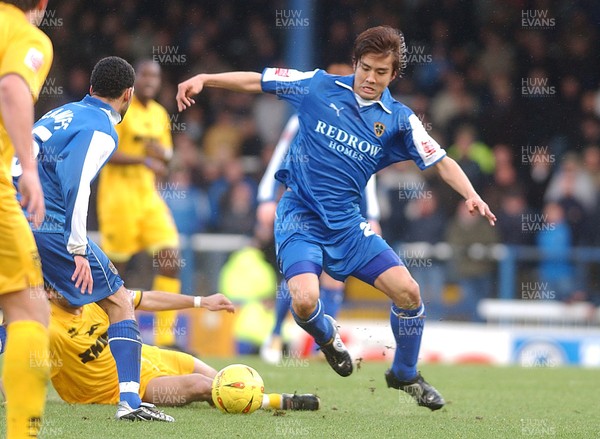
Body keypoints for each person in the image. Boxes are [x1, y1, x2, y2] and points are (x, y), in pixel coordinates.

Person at [177, 26, 496, 411]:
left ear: (394, 75)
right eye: (365, 68)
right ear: (355, 63)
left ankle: (405, 373)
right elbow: (257, 80)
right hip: (299, 216)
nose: (370, 78)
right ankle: (328, 337)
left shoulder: (398, 119)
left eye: (381, 72)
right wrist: (205, 78)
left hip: (348, 225)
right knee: (307, 300)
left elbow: (441, 161)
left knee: (409, 293)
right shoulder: (317, 86)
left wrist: (472, 194)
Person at [12, 56, 172, 422]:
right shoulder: (101, 128)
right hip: (44, 223)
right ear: (128, 94)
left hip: (10, 213)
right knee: (118, 300)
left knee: (19, 308)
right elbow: (77, 184)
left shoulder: (64, 112)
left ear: (91, 88)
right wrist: (78, 248)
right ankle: (130, 402)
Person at [0, 290, 320, 411]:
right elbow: (27, 368)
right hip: (123, 388)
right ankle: (278, 402)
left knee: (222, 376)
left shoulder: (95, 293)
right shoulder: (46, 326)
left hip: (152, 356)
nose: (74, 286)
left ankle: (267, 396)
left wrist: (201, 302)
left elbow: (148, 299)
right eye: (63, 285)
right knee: (204, 387)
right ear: (49, 291)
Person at [256, 91, 382, 364]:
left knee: (334, 276)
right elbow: (280, 154)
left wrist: (373, 213)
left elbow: (365, 173)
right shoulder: (304, 116)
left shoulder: (358, 124)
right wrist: (266, 196)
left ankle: (321, 348)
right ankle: (275, 334)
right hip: (303, 208)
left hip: (341, 210)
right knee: (302, 277)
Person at [97, 59, 182, 349]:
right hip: (118, 198)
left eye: (155, 76)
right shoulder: (120, 109)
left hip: (149, 197)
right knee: (115, 270)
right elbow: (106, 151)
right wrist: (144, 159)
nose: (150, 80)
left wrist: (165, 158)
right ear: (132, 83)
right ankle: (103, 334)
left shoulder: (160, 114)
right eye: (144, 74)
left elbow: (166, 158)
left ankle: (166, 339)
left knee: (170, 259)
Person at [0, 0, 53, 436]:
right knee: (30, 313)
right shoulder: (27, 35)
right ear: (42, 4)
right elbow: (13, 87)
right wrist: (29, 169)